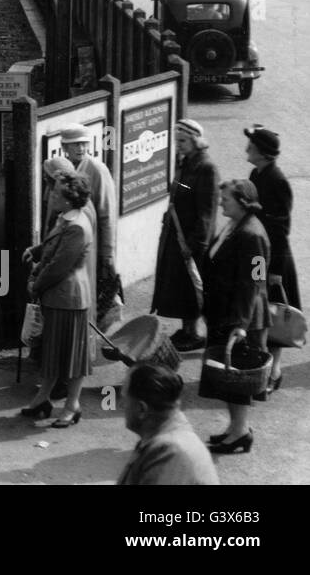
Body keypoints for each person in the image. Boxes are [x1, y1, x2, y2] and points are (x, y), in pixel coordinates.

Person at [201, 179, 271, 454]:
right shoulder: (235, 225)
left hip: (242, 317)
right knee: (227, 375)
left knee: (238, 375)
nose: (220, 203)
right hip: (226, 313)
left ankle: (241, 432)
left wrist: (241, 324)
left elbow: (254, 282)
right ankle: (234, 428)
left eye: (226, 199)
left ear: (243, 202)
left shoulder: (252, 234)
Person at [21, 174, 94, 427]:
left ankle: (72, 406)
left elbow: (58, 267)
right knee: (52, 354)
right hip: (57, 297)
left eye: (55, 194)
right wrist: (37, 251)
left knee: (71, 357)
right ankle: (43, 399)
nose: (50, 196)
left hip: (69, 298)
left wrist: (35, 285)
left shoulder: (77, 226)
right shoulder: (66, 219)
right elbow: (54, 248)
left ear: (68, 199)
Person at [152, 119, 218, 352]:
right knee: (180, 286)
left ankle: (194, 332)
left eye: (182, 141)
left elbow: (207, 210)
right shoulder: (187, 163)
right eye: (176, 141)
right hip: (177, 235)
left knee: (192, 287)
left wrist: (197, 243)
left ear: (195, 140)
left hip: (191, 240)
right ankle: (186, 328)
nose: (178, 145)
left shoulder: (206, 167)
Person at [246, 126, 298, 392]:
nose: (247, 149)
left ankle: (274, 371)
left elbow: (281, 228)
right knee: (259, 309)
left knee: (274, 315)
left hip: (275, 260)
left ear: (264, 154)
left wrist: (276, 268)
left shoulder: (277, 181)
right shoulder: (256, 173)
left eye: (251, 146)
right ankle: (261, 364)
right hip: (258, 256)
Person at [117, 363, 219, 485]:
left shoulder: (169, 451)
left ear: (141, 409)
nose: (122, 405)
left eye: (125, 400)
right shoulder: (166, 436)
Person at [60, 123, 121, 326]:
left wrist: (108, 254)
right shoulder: (64, 169)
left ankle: (91, 335)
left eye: (84, 144)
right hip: (71, 243)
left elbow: (107, 215)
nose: (81, 148)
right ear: (64, 147)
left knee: (94, 293)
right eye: (75, 144)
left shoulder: (96, 169)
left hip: (92, 246)